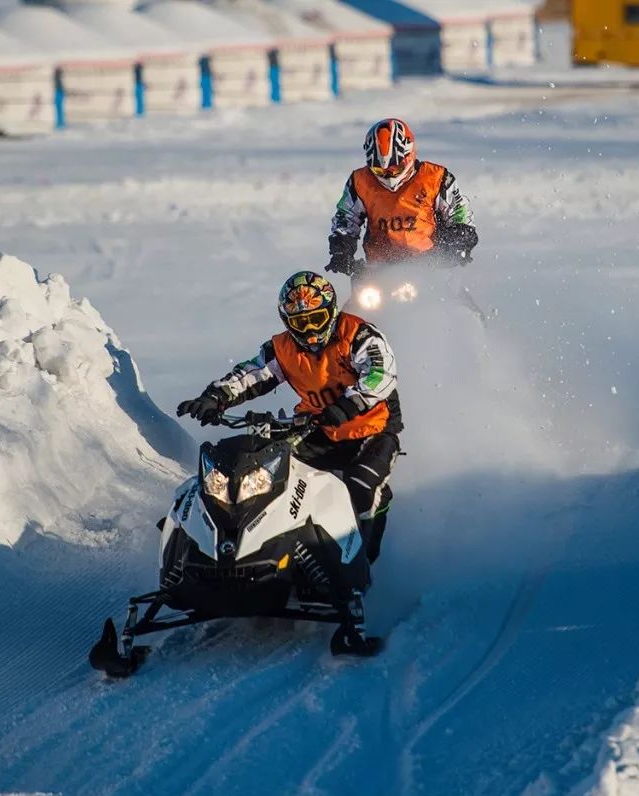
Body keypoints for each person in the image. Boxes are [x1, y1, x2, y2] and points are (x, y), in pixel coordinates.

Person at [176, 271, 400, 570]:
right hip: (317, 428)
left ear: (331, 312)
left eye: (316, 319)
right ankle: (266, 554)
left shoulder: (359, 335)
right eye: (299, 322)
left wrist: (348, 406)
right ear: (287, 322)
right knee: (263, 474)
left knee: (360, 487)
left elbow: (381, 375)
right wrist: (215, 397)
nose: (309, 330)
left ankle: (361, 565)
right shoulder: (282, 349)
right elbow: (252, 375)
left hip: (372, 430)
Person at [326, 118, 478, 276]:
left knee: (457, 300)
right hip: (377, 272)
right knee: (353, 301)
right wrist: (341, 251)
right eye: (380, 170)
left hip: (432, 267)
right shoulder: (359, 182)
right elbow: (345, 218)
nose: (389, 174)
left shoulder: (437, 178)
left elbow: (460, 214)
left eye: (396, 168)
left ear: (409, 155)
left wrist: (458, 241)